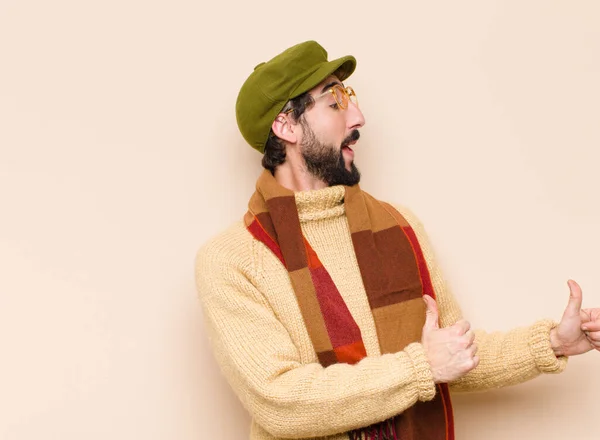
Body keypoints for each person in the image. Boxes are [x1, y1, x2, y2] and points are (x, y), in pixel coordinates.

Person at [195, 40, 600, 440]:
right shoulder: (232, 259)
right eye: (335, 101)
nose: (358, 117)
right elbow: (280, 402)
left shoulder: (398, 225)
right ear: (286, 126)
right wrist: (421, 367)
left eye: (349, 97)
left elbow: (451, 355)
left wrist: (553, 342)